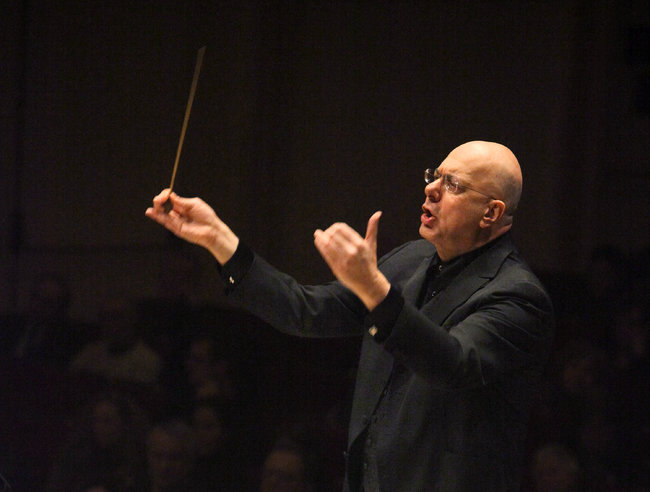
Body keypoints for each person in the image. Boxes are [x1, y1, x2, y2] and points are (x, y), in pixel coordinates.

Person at [146, 140, 555, 491]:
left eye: (452, 184)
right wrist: (219, 239)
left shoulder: (517, 296)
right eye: (436, 175)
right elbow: (305, 312)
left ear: (491, 213)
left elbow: (453, 362)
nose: (430, 188)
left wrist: (375, 290)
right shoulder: (411, 260)